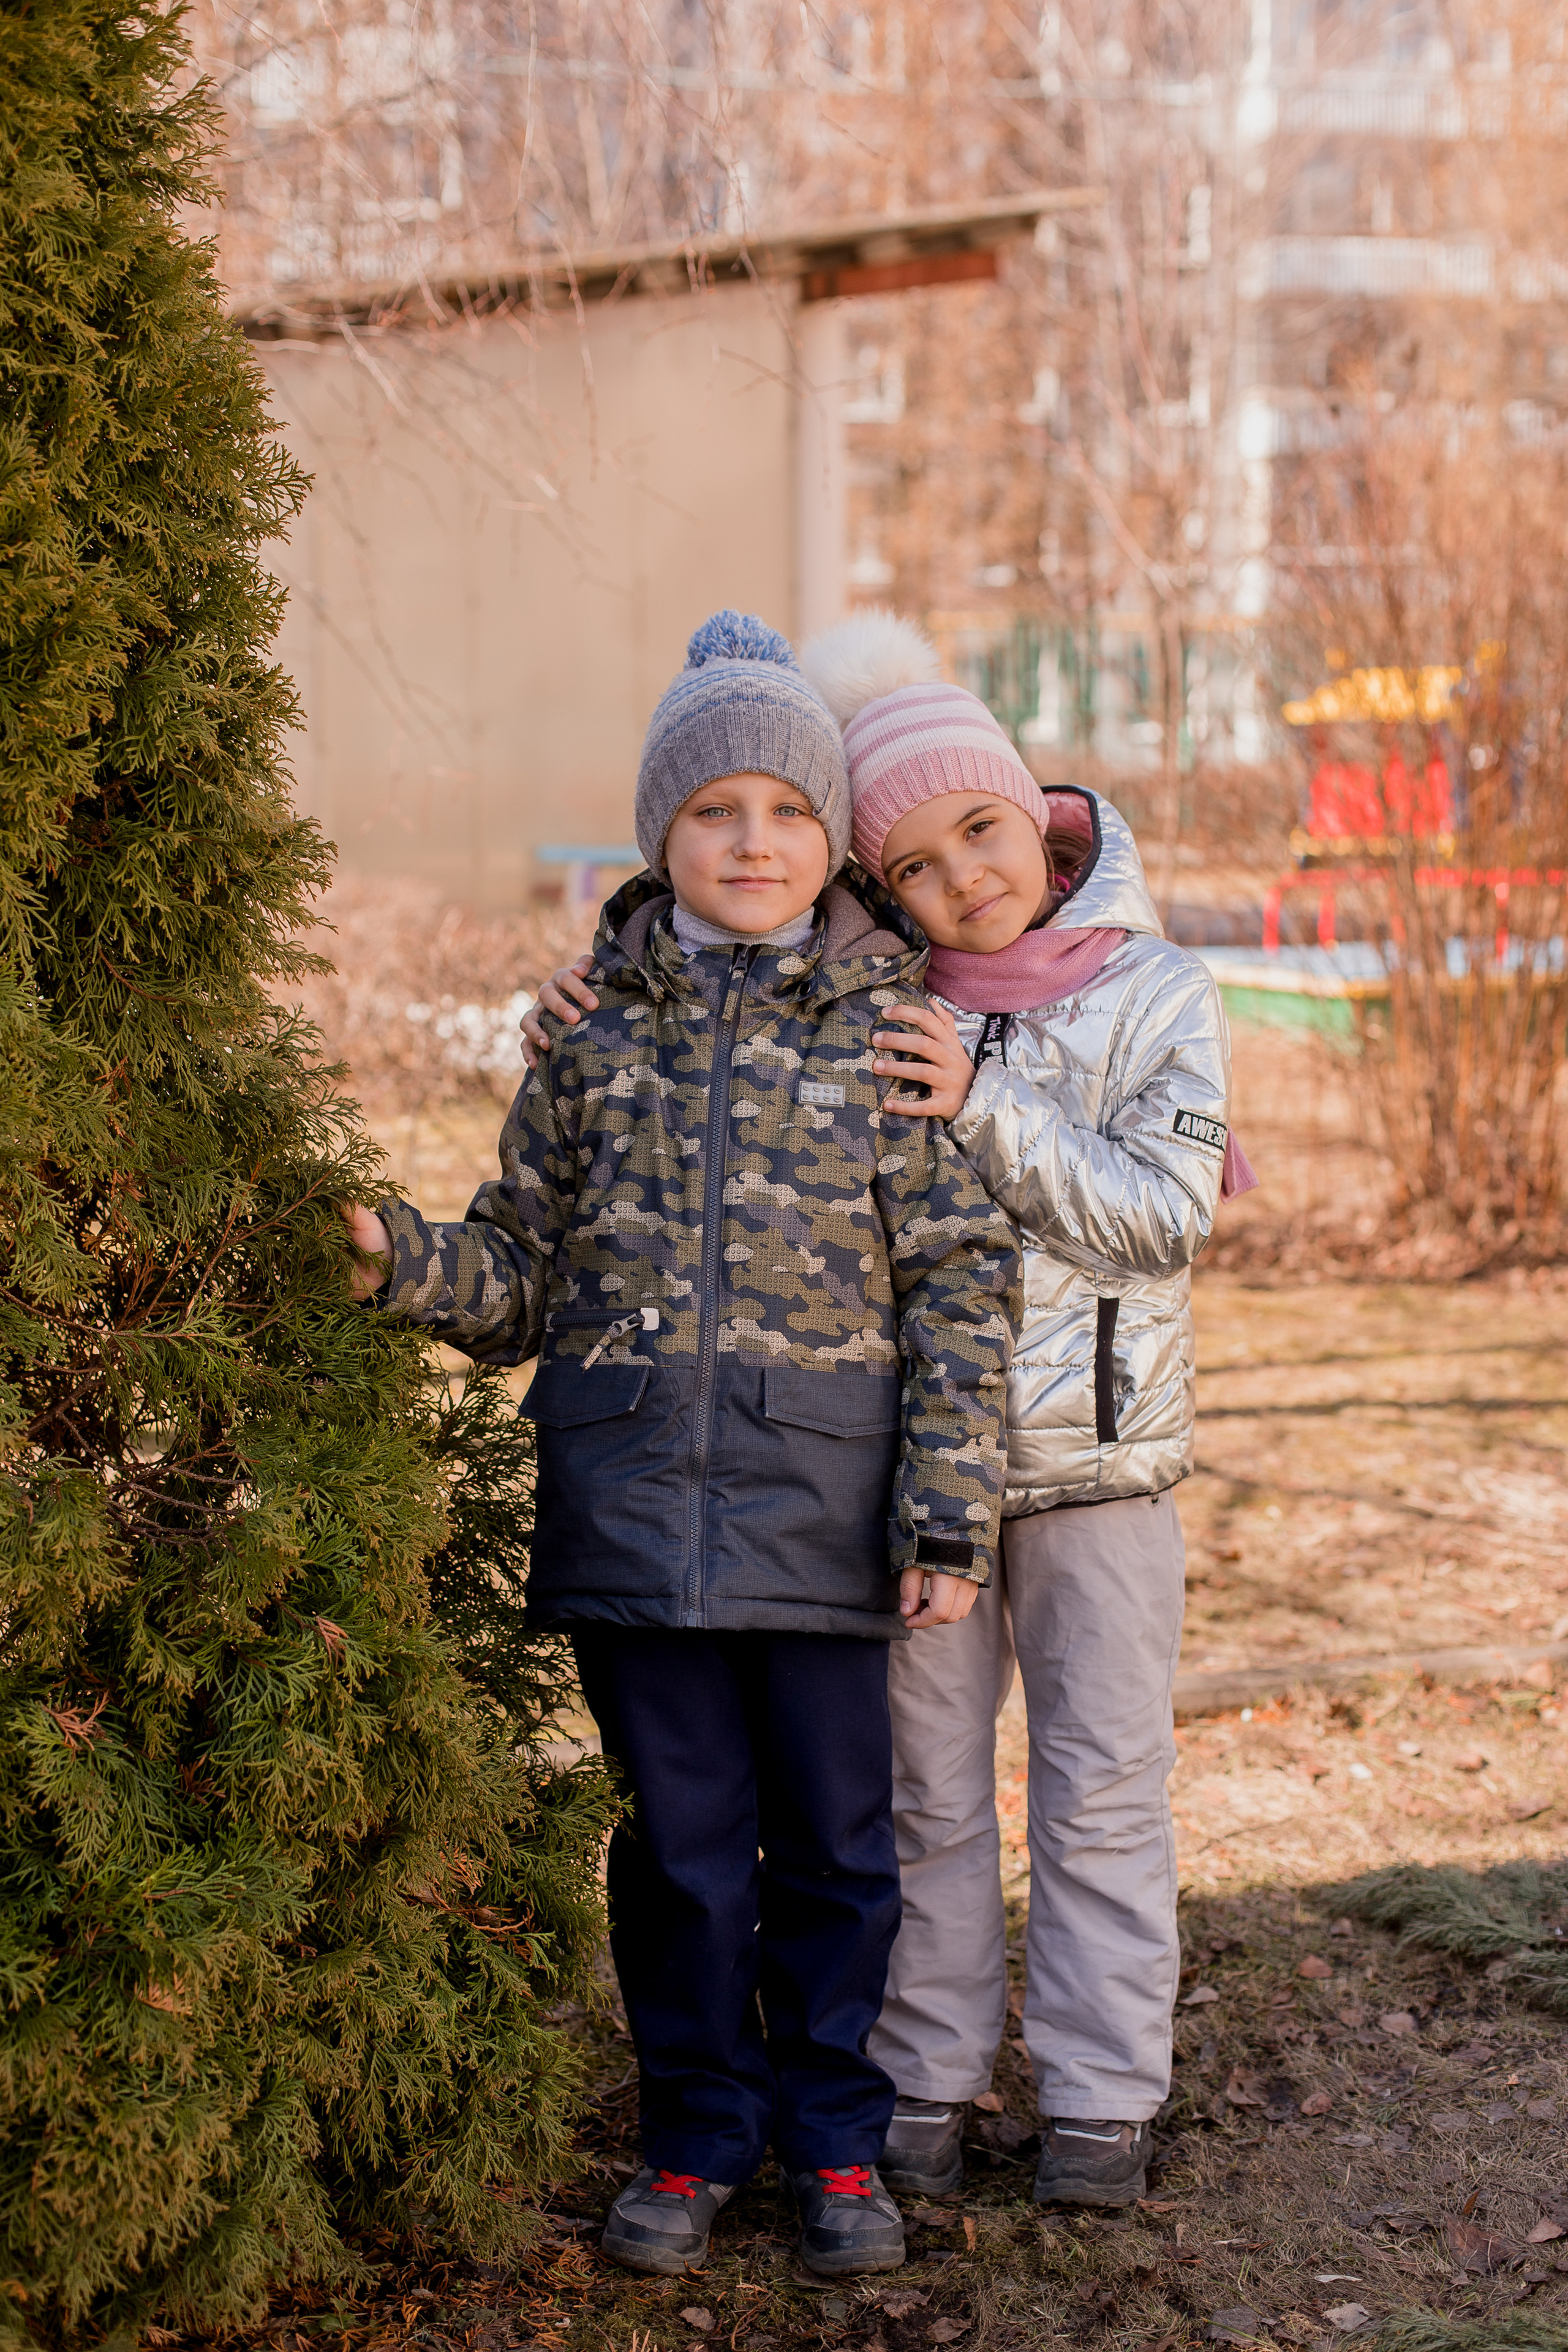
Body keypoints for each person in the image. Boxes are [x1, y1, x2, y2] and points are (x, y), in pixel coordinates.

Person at [526, 608, 1254, 2216]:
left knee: (1101, 1788)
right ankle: (918, 2081)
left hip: (1100, 1468)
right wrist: (594, 1000)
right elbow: (734, 961)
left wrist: (990, 1102)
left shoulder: (1153, 990)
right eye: (915, 865)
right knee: (919, 1799)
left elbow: (1166, 1213)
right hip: (919, 1481)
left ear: (1035, 809)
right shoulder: (886, 985)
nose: (963, 882)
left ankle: (1101, 2091)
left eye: (981, 834)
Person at [343, 612, 1019, 2279]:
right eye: (715, 812)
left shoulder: (886, 1030)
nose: (754, 843)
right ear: (662, 835)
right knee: (687, 1857)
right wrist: (394, 1261)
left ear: (826, 838)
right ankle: (698, 2133)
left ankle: (839, 2147)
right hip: (636, 1513)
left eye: (788, 812)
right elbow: (518, 1273)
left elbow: (958, 1276)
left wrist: (945, 1519)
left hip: (826, 1518)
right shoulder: (589, 1041)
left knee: (842, 1854)